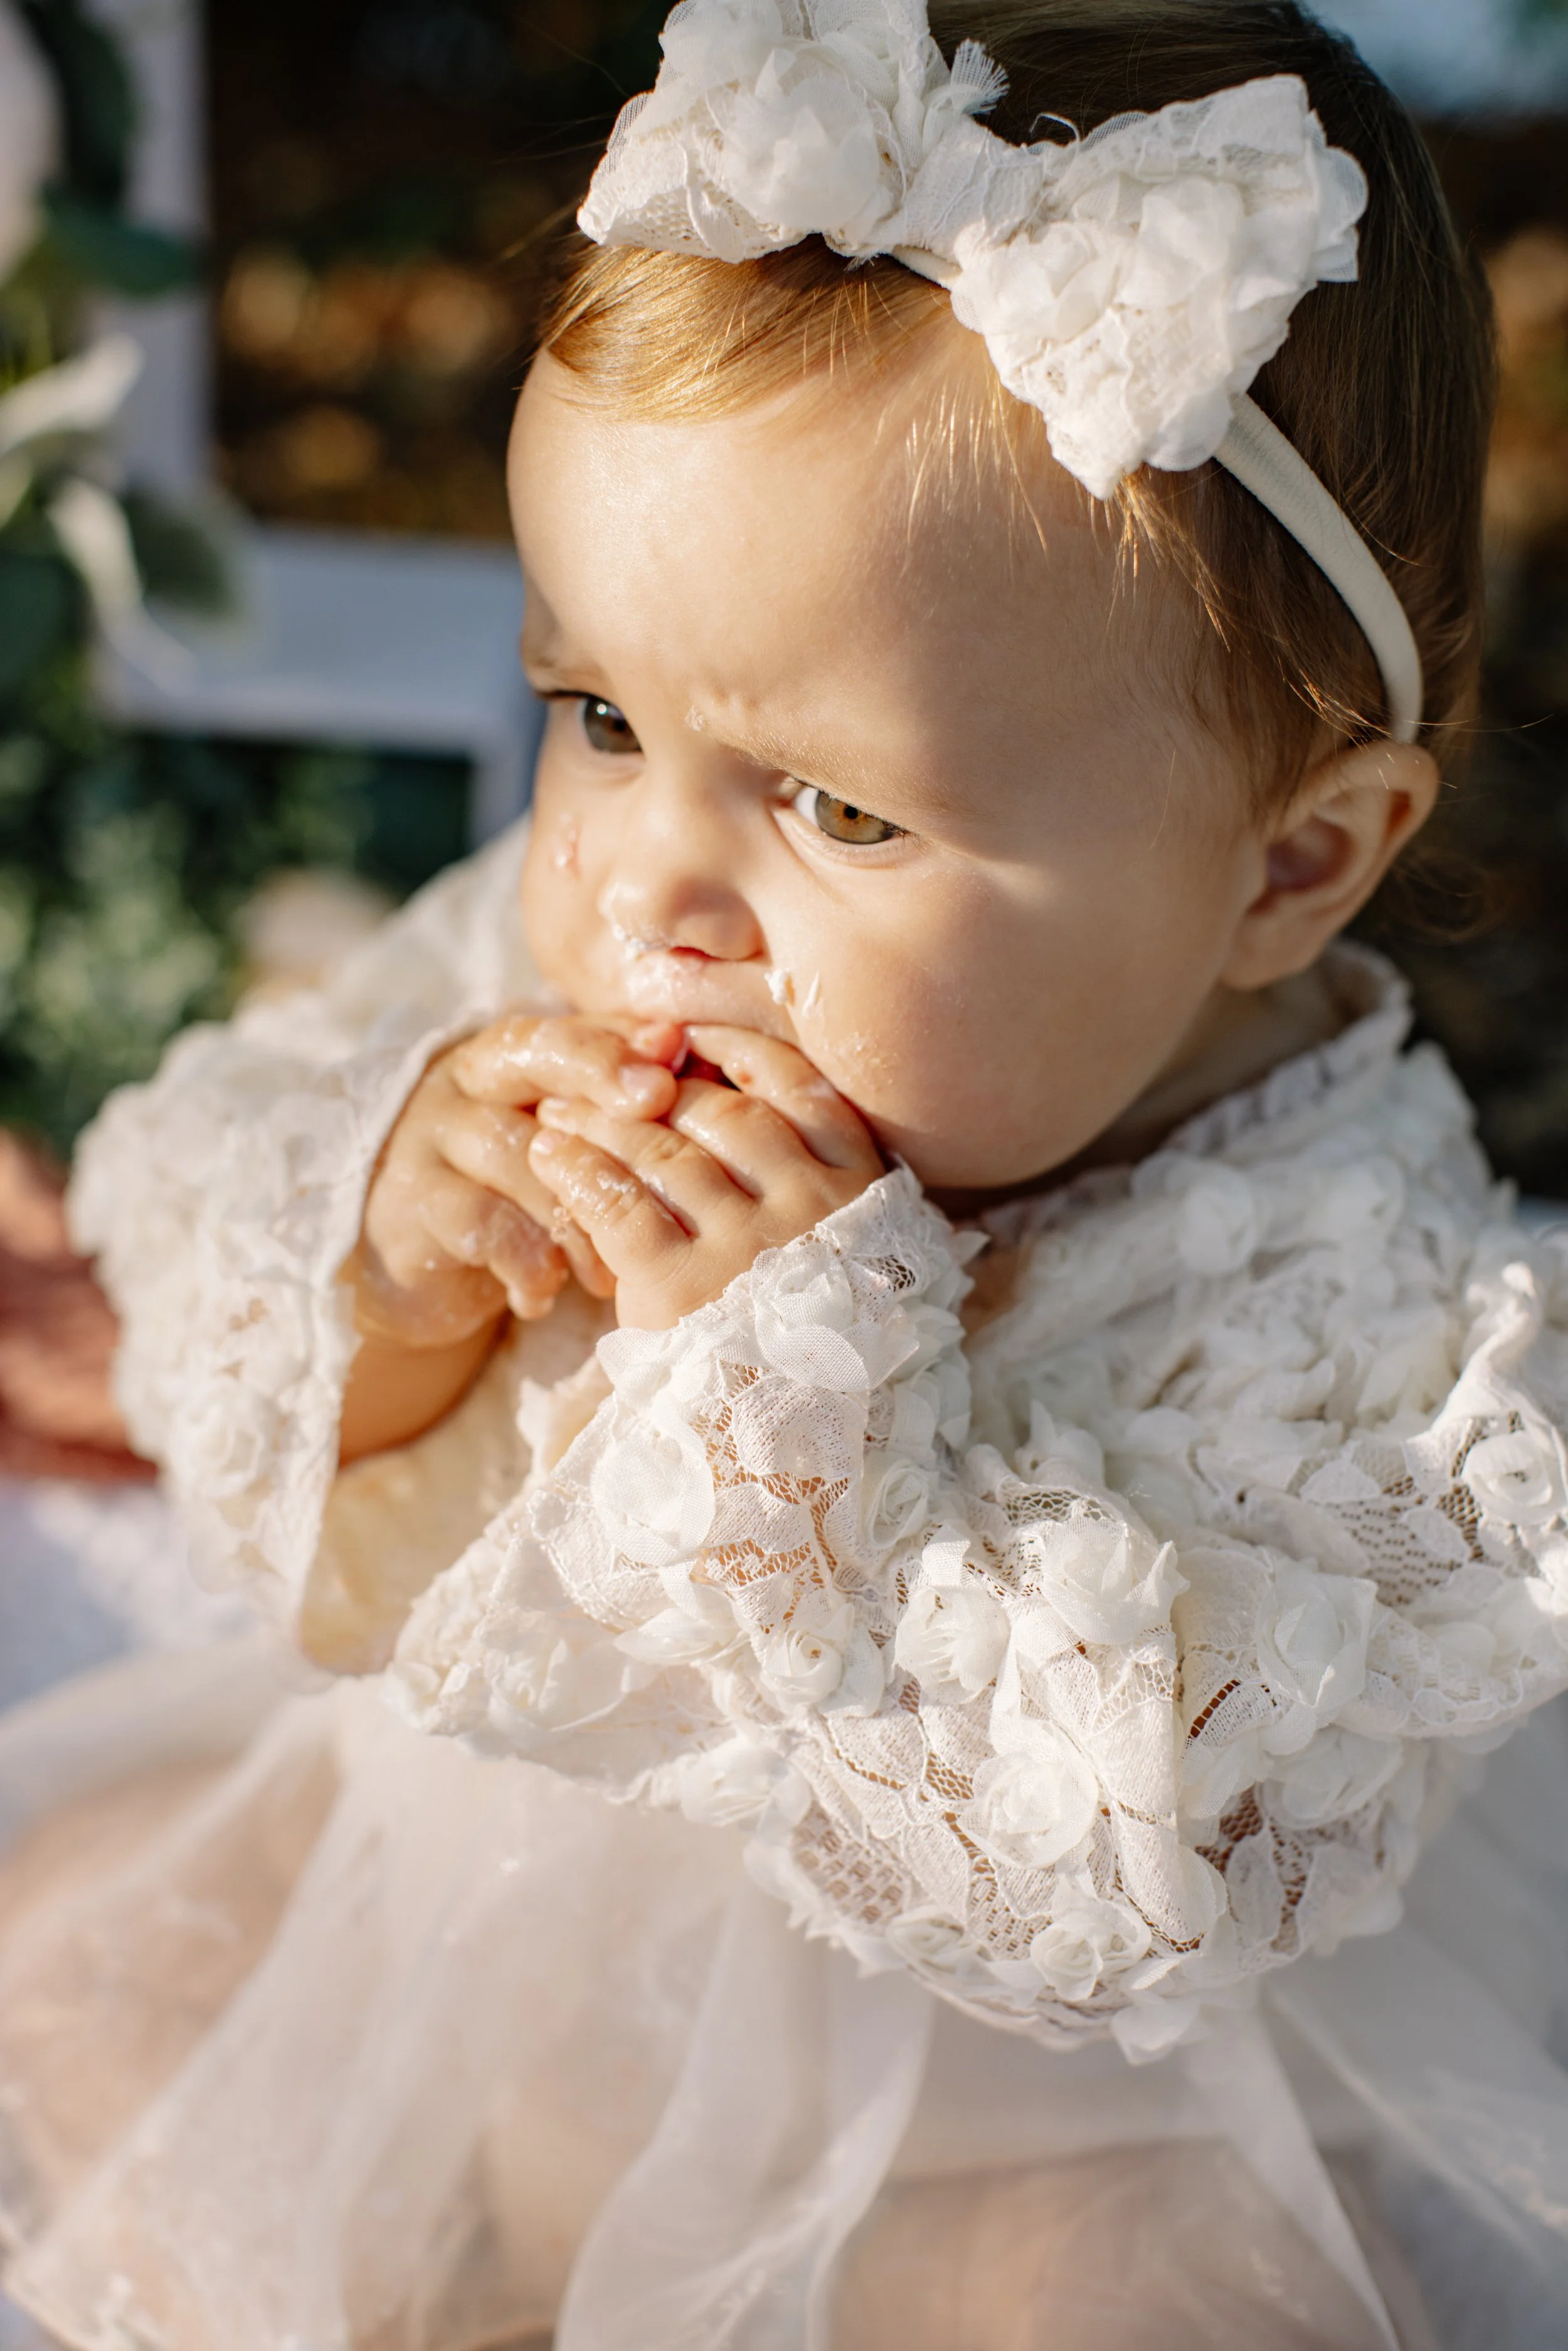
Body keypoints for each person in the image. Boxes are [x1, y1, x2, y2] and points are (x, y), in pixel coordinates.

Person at [3, 3, 1567, 2343]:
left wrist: (803, 1400)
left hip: (998, 2122)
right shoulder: (574, 985)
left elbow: (1131, 1877)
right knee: (81, 1936)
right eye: (599, 716)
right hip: (473, 1951)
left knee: (1142, 2306)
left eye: (838, 808)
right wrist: (391, 1268)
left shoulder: (1369, 1295)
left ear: (1288, 865)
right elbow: (293, 1450)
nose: (648, 889)